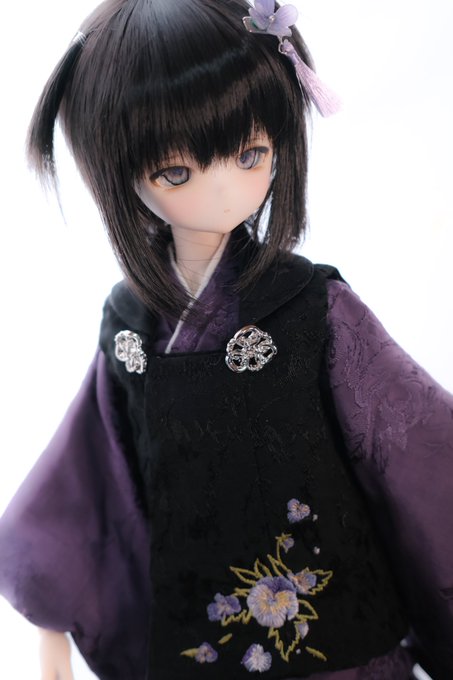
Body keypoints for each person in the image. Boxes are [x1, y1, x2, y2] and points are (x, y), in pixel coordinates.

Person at [0, 1, 452, 679]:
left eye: (249, 155)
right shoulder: (131, 325)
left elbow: (412, 447)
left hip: (336, 641)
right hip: (195, 639)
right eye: (176, 171)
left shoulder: (310, 306)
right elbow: (88, 473)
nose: (221, 191)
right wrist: (50, 621)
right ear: (117, 169)